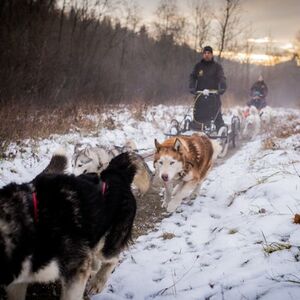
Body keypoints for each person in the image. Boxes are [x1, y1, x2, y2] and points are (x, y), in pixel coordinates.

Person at [189, 45, 227, 131]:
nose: (206, 55)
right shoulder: (198, 66)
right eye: (205, 53)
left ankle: (219, 128)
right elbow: (192, 77)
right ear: (203, 54)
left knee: (216, 115)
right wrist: (192, 87)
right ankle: (197, 127)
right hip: (200, 95)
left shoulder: (217, 67)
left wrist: (223, 87)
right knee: (198, 114)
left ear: (212, 55)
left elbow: (222, 77)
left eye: (208, 53)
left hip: (213, 96)